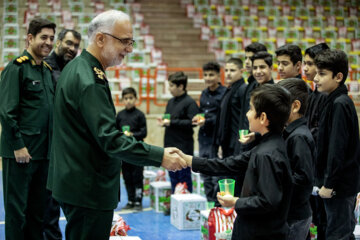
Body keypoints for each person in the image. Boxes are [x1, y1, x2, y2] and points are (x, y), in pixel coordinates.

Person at [47, 10, 187, 240]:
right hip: (87, 187)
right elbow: (110, 138)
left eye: (131, 42)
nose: (129, 49)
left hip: (75, 181)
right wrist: (159, 155)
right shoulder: (89, 79)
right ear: (101, 39)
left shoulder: (77, 68)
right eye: (124, 41)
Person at [177, 84, 293, 240]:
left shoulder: (268, 154)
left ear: (263, 118)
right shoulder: (267, 145)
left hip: (260, 233)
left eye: (251, 109)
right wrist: (190, 160)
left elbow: (267, 202)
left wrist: (235, 201)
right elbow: (229, 164)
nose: (246, 114)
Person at [0, 18, 56, 240]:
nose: (49, 42)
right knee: (17, 213)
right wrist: (18, 146)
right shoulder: (16, 68)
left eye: (52, 38)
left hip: (43, 155)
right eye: (44, 37)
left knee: (37, 214)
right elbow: (6, 111)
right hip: (21, 155)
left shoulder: (46, 70)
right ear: (30, 38)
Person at [314, 49, 360, 240]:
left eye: (322, 74)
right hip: (335, 185)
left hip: (339, 187)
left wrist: (329, 184)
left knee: (338, 234)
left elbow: (337, 148)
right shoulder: (331, 100)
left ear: (338, 77)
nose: (315, 78)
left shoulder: (340, 104)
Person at [43, 28, 81, 240]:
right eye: (68, 43)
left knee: (67, 198)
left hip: (68, 144)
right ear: (58, 42)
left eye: (75, 45)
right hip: (46, 144)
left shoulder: (74, 69)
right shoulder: (45, 67)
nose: (72, 48)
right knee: (49, 203)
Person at [278, 78, 315, 240]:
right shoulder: (290, 133)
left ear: (295, 106)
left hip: (295, 215)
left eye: (279, 104)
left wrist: (275, 181)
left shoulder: (298, 137)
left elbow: (303, 179)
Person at [303, 42, 329, 240]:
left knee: (325, 221)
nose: (306, 68)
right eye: (305, 63)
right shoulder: (313, 93)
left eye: (310, 64)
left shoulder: (329, 97)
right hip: (313, 165)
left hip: (324, 170)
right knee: (317, 219)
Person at [158, 71, 199, 194]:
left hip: (183, 147)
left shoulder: (190, 102)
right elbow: (169, 119)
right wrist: (164, 122)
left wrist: (172, 122)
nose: (169, 88)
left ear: (181, 86)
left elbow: (193, 122)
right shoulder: (170, 102)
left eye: (171, 85)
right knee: (173, 177)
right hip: (170, 144)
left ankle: (186, 209)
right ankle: (176, 206)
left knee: (184, 179)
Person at [212, 57, 247, 198]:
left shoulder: (242, 90)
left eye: (232, 70)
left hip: (236, 145)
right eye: (226, 70)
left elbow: (243, 119)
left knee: (233, 182)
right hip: (227, 144)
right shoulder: (230, 89)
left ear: (242, 71)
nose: (228, 73)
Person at [192, 61, 226, 202]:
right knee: (204, 172)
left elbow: (222, 116)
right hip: (203, 137)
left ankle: (217, 204)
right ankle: (209, 203)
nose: (208, 78)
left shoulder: (224, 93)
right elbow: (202, 112)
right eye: (205, 75)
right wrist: (198, 117)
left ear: (218, 76)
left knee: (216, 173)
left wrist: (207, 120)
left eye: (211, 75)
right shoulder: (204, 93)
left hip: (216, 138)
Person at [116, 87, 147, 211]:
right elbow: (115, 131)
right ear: (122, 100)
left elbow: (144, 132)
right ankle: (130, 200)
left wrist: (132, 135)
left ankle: (138, 201)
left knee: (137, 177)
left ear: (135, 99)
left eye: (131, 98)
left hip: (138, 151)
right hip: (124, 152)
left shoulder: (140, 115)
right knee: (127, 177)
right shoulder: (120, 115)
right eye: (126, 98)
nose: (128, 101)